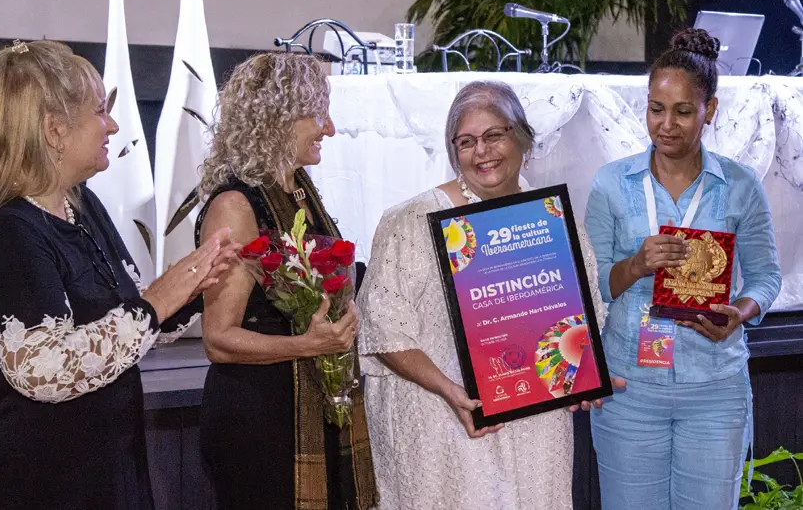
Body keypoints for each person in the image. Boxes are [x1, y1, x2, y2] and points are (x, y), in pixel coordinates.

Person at [0, 40, 237, 510]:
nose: (113, 125)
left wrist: (196, 284)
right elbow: (46, 371)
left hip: (102, 474)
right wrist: (160, 299)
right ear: (54, 130)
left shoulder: (81, 204)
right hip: (30, 486)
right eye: (100, 112)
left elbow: (127, 320)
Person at [356, 80, 618, 510]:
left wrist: (582, 376)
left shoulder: (550, 217)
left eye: (494, 135)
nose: (482, 151)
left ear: (523, 139)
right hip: (443, 425)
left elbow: (580, 314)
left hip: (535, 429)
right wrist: (450, 391)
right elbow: (383, 329)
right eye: (466, 141)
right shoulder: (411, 220)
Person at [584, 28, 782, 510]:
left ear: (709, 111)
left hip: (715, 390)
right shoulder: (612, 183)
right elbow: (591, 287)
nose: (666, 124)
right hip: (629, 390)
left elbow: (766, 277)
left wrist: (738, 311)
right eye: (656, 108)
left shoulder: (739, 185)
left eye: (683, 111)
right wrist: (634, 265)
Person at [196, 52, 378, 510]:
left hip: (309, 402)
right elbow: (218, 339)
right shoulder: (236, 206)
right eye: (318, 113)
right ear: (277, 118)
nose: (330, 129)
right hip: (261, 417)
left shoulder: (299, 189)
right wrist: (307, 345)